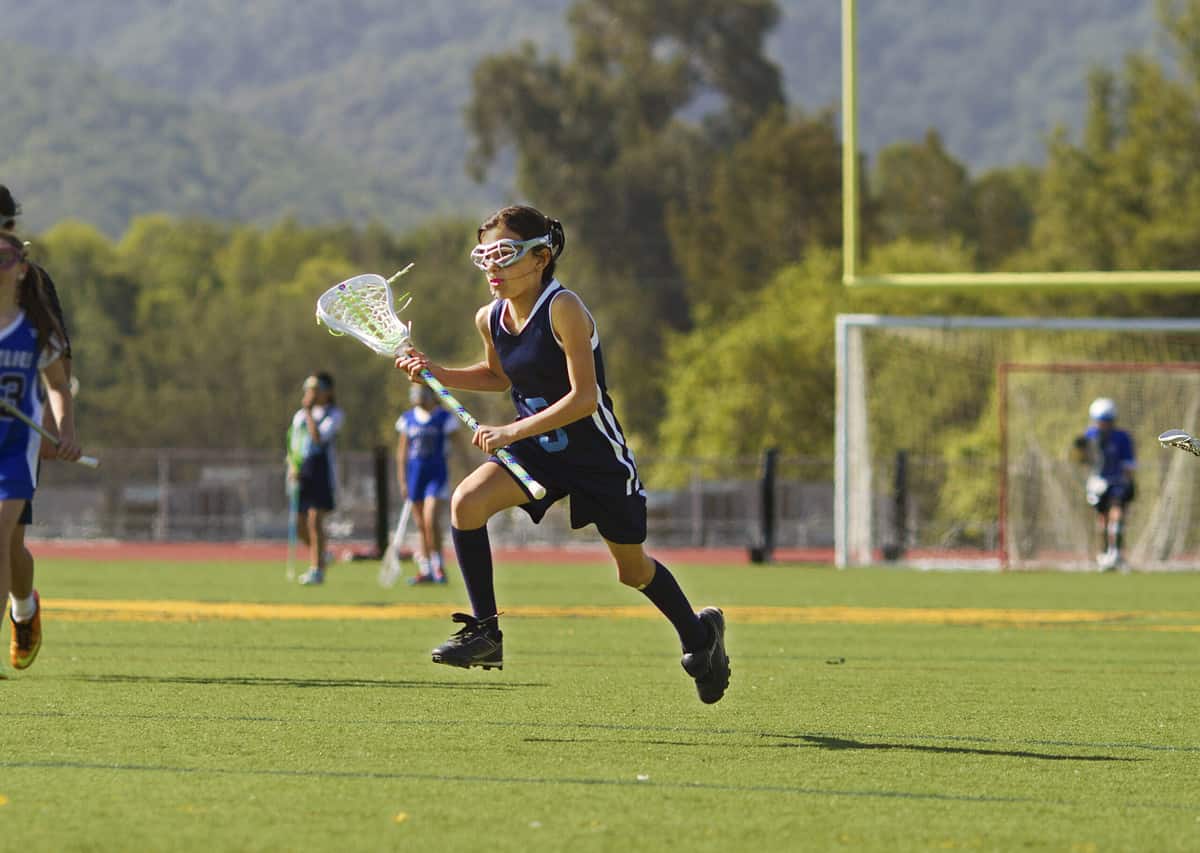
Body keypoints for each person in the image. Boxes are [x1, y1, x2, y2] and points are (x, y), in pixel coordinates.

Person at [396, 205, 730, 704]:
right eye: (483, 257)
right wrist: (437, 372)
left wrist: (509, 430)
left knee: (632, 570)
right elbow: (499, 377)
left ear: (541, 257)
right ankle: (485, 633)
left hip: (595, 455)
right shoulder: (490, 318)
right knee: (466, 502)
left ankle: (700, 637)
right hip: (537, 451)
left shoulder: (564, 308)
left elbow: (583, 399)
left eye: (504, 255)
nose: (492, 267)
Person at [0, 231, 82, 675]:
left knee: (5, 540)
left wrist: (60, 428)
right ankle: (24, 608)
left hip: (15, 444)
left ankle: (23, 611)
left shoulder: (32, 309)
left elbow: (58, 376)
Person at [396, 384, 459, 584]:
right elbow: (402, 454)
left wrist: (467, 473)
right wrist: (403, 481)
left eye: (421, 392)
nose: (416, 396)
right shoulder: (408, 418)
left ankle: (438, 565)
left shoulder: (444, 418)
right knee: (421, 524)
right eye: (413, 392)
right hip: (415, 475)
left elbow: (460, 448)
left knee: (431, 519)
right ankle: (426, 569)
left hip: (436, 475)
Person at [286, 373, 344, 585]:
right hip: (303, 472)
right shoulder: (299, 416)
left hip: (321, 471)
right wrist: (292, 466)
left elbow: (318, 439)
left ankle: (316, 570)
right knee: (300, 524)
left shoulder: (334, 414)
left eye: (316, 388)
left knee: (314, 519)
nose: (311, 393)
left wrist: (309, 412)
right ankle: (320, 554)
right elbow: (294, 444)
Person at [1072, 397, 1136, 571]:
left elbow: (1128, 464)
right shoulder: (1090, 435)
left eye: (1106, 422)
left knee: (1117, 515)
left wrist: (1127, 483)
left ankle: (1116, 554)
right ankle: (1103, 554)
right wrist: (1080, 453)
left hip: (1117, 482)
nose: (1103, 425)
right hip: (1098, 483)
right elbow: (1082, 461)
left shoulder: (1122, 438)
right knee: (1102, 521)